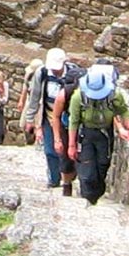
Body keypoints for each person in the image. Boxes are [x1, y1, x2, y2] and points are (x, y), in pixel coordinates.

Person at [68, 63, 129, 205]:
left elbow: (122, 110)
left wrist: (128, 124)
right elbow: (74, 121)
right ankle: (87, 197)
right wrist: (71, 145)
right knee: (87, 172)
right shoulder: (78, 97)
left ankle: (96, 195)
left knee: (102, 166)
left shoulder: (114, 96)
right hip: (86, 134)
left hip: (105, 135)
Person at [27, 48, 78, 190]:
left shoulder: (74, 73)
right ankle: (54, 179)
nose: (55, 71)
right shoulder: (42, 73)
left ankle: (69, 176)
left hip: (69, 118)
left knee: (68, 149)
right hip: (49, 116)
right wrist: (30, 119)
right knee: (50, 150)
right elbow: (35, 97)